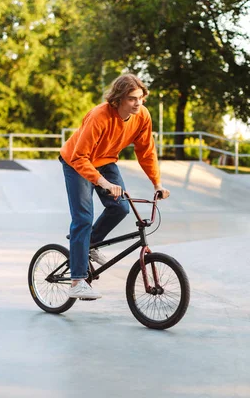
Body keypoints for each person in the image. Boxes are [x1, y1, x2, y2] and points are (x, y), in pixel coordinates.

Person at [59, 74, 170, 300]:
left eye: (140, 98)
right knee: (83, 218)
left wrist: (157, 183)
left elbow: (146, 151)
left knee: (121, 207)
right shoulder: (100, 116)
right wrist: (103, 182)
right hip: (76, 162)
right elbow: (80, 157)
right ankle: (77, 281)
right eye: (131, 99)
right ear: (118, 99)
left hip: (106, 160)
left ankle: (90, 244)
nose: (138, 103)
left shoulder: (142, 116)